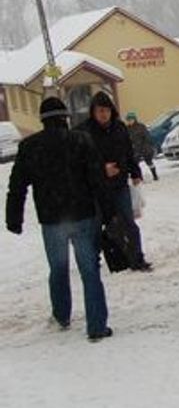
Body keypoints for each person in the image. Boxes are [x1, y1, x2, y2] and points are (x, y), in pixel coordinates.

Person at [6, 97, 113, 342]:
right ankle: (96, 326)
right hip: (83, 215)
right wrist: (109, 213)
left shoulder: (30, 147)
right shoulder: (81, 140)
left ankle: (62, 315)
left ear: (42, 120)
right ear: (65, 117)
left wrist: (14, 218)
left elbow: (17, 187)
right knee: (89, 271)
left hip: (52, 219)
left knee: (58, 268)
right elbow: (97, 180)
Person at [78, 91, 152, 272]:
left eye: (106, 110)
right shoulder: (84, 132)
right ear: (93, 112)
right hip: (96, 189)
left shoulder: (119, 129)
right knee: (95, 227)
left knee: (129, 223)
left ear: (112, 111)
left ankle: (137, 258)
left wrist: (135, 172)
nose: (103, 114)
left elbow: (128, 152)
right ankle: (92, 262)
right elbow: (80, 160)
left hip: (119, 185)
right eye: (99, 111)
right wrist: (102, 169)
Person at [125, 111, 158, 181]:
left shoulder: (141, 127)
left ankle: (155, 175)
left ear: (134, 119)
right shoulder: (127, 129)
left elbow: (147, 137)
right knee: (135, 164)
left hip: (144, 148)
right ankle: (140, 177)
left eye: (130, 119)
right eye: (128, 120)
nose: (129, 121)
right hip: (134, 149)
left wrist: (147, 147)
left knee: (149, 162)